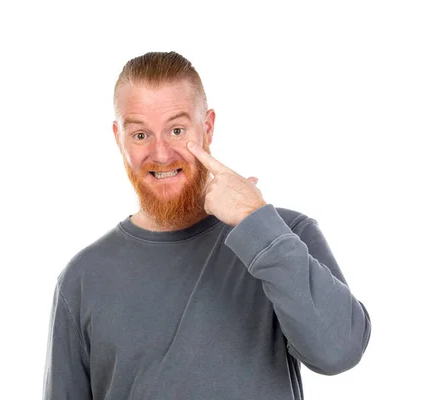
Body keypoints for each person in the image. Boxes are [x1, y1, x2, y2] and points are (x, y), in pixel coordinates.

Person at [42, 51, 371, 400]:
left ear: (208, 127)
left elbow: (339, 351)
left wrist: (255, 222)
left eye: (177, 130)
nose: (162, 154)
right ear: (118, 137)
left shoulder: (283, 235)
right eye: (140, 135)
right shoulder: (83, 277)